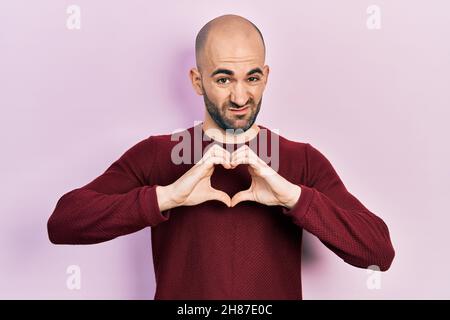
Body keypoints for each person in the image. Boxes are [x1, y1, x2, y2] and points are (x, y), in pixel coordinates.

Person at [47, 14, 395, 299]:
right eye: (224, 79)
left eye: (252, 77)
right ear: (197, 81)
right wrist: (167, 197)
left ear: (266, 77)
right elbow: (64, 223)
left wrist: (294, 197)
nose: (241, 95)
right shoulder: (158, 154)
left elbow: (378, 253)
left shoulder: (300, 160)